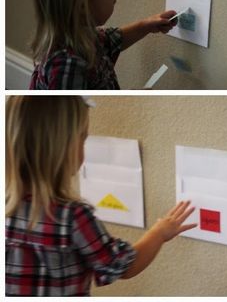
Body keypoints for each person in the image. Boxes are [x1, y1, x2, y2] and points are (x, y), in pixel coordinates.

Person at [5, 96, 197, 296]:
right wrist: (159, 233)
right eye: (82, 139)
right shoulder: (73, 217)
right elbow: (122, 266)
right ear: (62, 148)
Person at [30, 0, 177, 89]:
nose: (115, 1)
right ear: (83, 5)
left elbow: (111, 40)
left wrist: (146, 26)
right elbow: (76, 113)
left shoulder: (82, 37)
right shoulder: (67, 65)